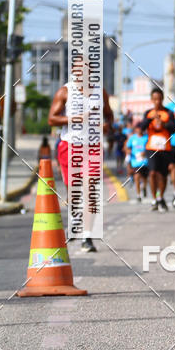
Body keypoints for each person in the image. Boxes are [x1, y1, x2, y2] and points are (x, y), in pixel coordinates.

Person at [48, 72, 114, 252]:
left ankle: (87, 237)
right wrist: (76, 119)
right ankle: (75, 215)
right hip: (70, 146)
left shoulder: (101, 92)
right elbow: (52, 119)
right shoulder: (65, 92)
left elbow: (109, 115)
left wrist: (107, 126)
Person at [140, 88, 175, 212]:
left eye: (159, 99)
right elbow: (141, 128)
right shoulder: (148, 113)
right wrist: (151, 118)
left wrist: (163, 123)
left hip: (165, 148)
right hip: (151, 147)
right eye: (155, 99)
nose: (157, 101)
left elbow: (173, 128)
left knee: (163, 175)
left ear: (162, 99)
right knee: (152, 173)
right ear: (152, 100)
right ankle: (154, 198)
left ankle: (161, 197)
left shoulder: (168, 113)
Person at [125, 122, 148, 201]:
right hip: (135, 162)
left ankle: (144, 187)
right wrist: (129, 152)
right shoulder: (132, 138)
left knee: (145, 178)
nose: (139, 130)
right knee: (137, 177)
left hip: (145, 162)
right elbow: (127, 147)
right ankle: (138, 195)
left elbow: (149, 148)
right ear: (136, 129)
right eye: (138, 128)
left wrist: (144, 152)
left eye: (141, 128)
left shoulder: (146, 137)